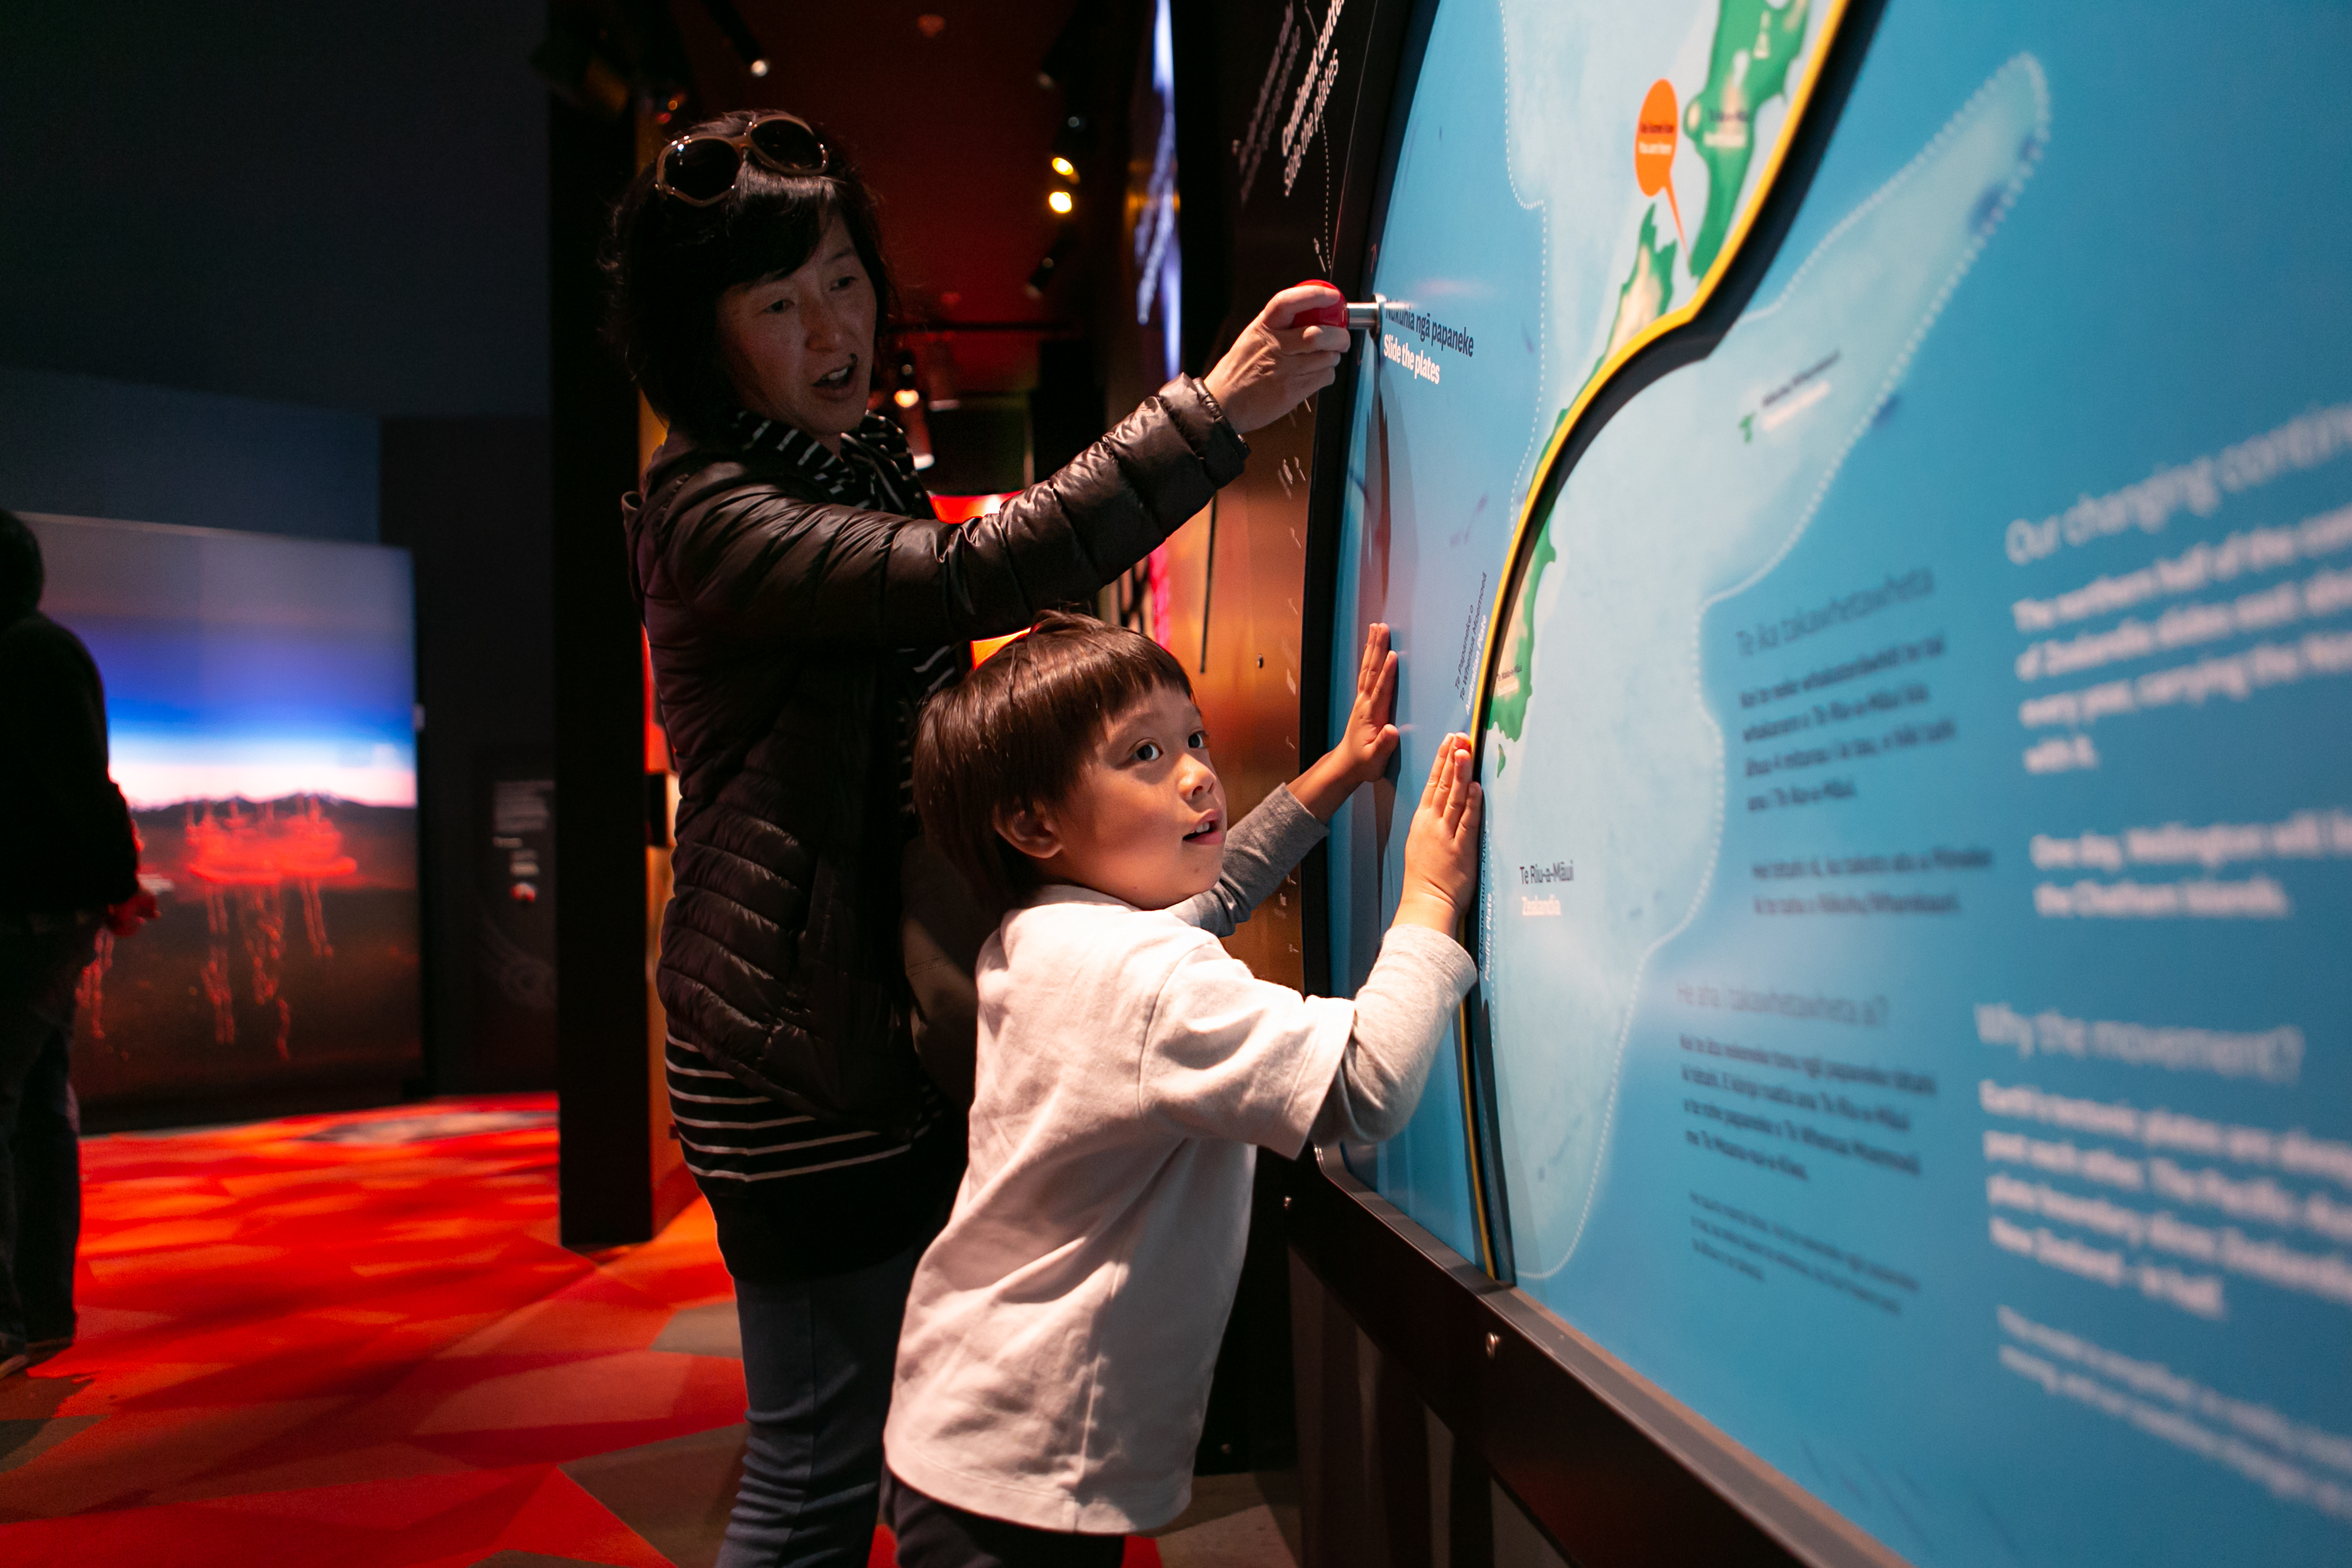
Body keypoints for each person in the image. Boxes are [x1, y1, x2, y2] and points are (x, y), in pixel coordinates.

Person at [604, 109, 1347, 1566]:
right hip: (783, 1044)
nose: (830, 327)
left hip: (865, 1013)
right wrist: (1216, 410)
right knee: (813, 1466)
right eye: (773, 303)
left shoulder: (847, 455)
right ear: (705, 339)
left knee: (899, 1420)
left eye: (839, 278)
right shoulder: (711, 507)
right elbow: (959, 574)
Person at [882, 611, 1481, 1564]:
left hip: (973, 1413)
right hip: (1027, 1464)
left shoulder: (1042, 930)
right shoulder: (1145, 982)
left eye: (1192, 736)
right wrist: (1430, 902)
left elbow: (1214, 895)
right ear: (1034, 821)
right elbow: (1364, 1084)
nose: (1197, 772)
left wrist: (1337, 772)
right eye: (1145, 754)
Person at [0, 509, 154, 1381]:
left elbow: (81, 787)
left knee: (18, 1102)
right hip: (48, 916)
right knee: (37, 1100)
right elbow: (87, 786)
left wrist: (117, 883)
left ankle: (9, 1318)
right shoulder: (43, 652)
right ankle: (38, 1310)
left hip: (27, 917)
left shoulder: (27, 655)